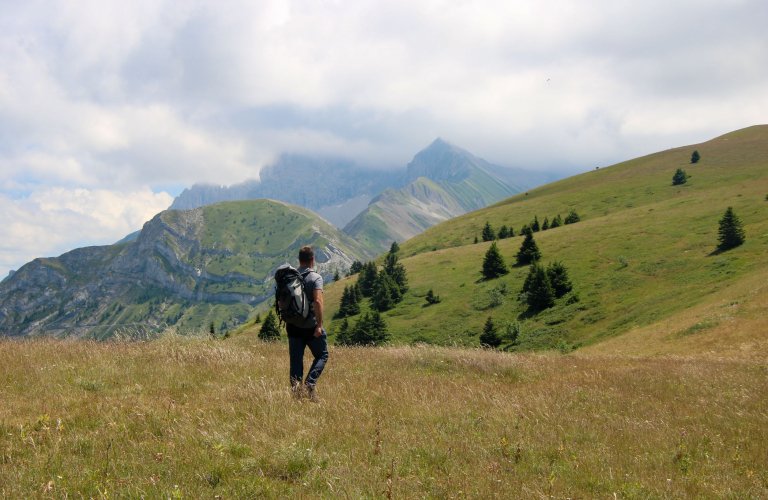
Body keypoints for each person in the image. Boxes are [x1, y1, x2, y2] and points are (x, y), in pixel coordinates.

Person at [287, 246, 328, 402]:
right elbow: (317, 301)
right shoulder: (315, 278)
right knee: (322, 354)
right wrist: (319, 324)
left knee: (296, 361)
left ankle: (297, 396)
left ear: (299, 260)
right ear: (312, 259)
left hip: (292, 326)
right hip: (310, 326)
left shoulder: (290, 277)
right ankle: (310, 382)